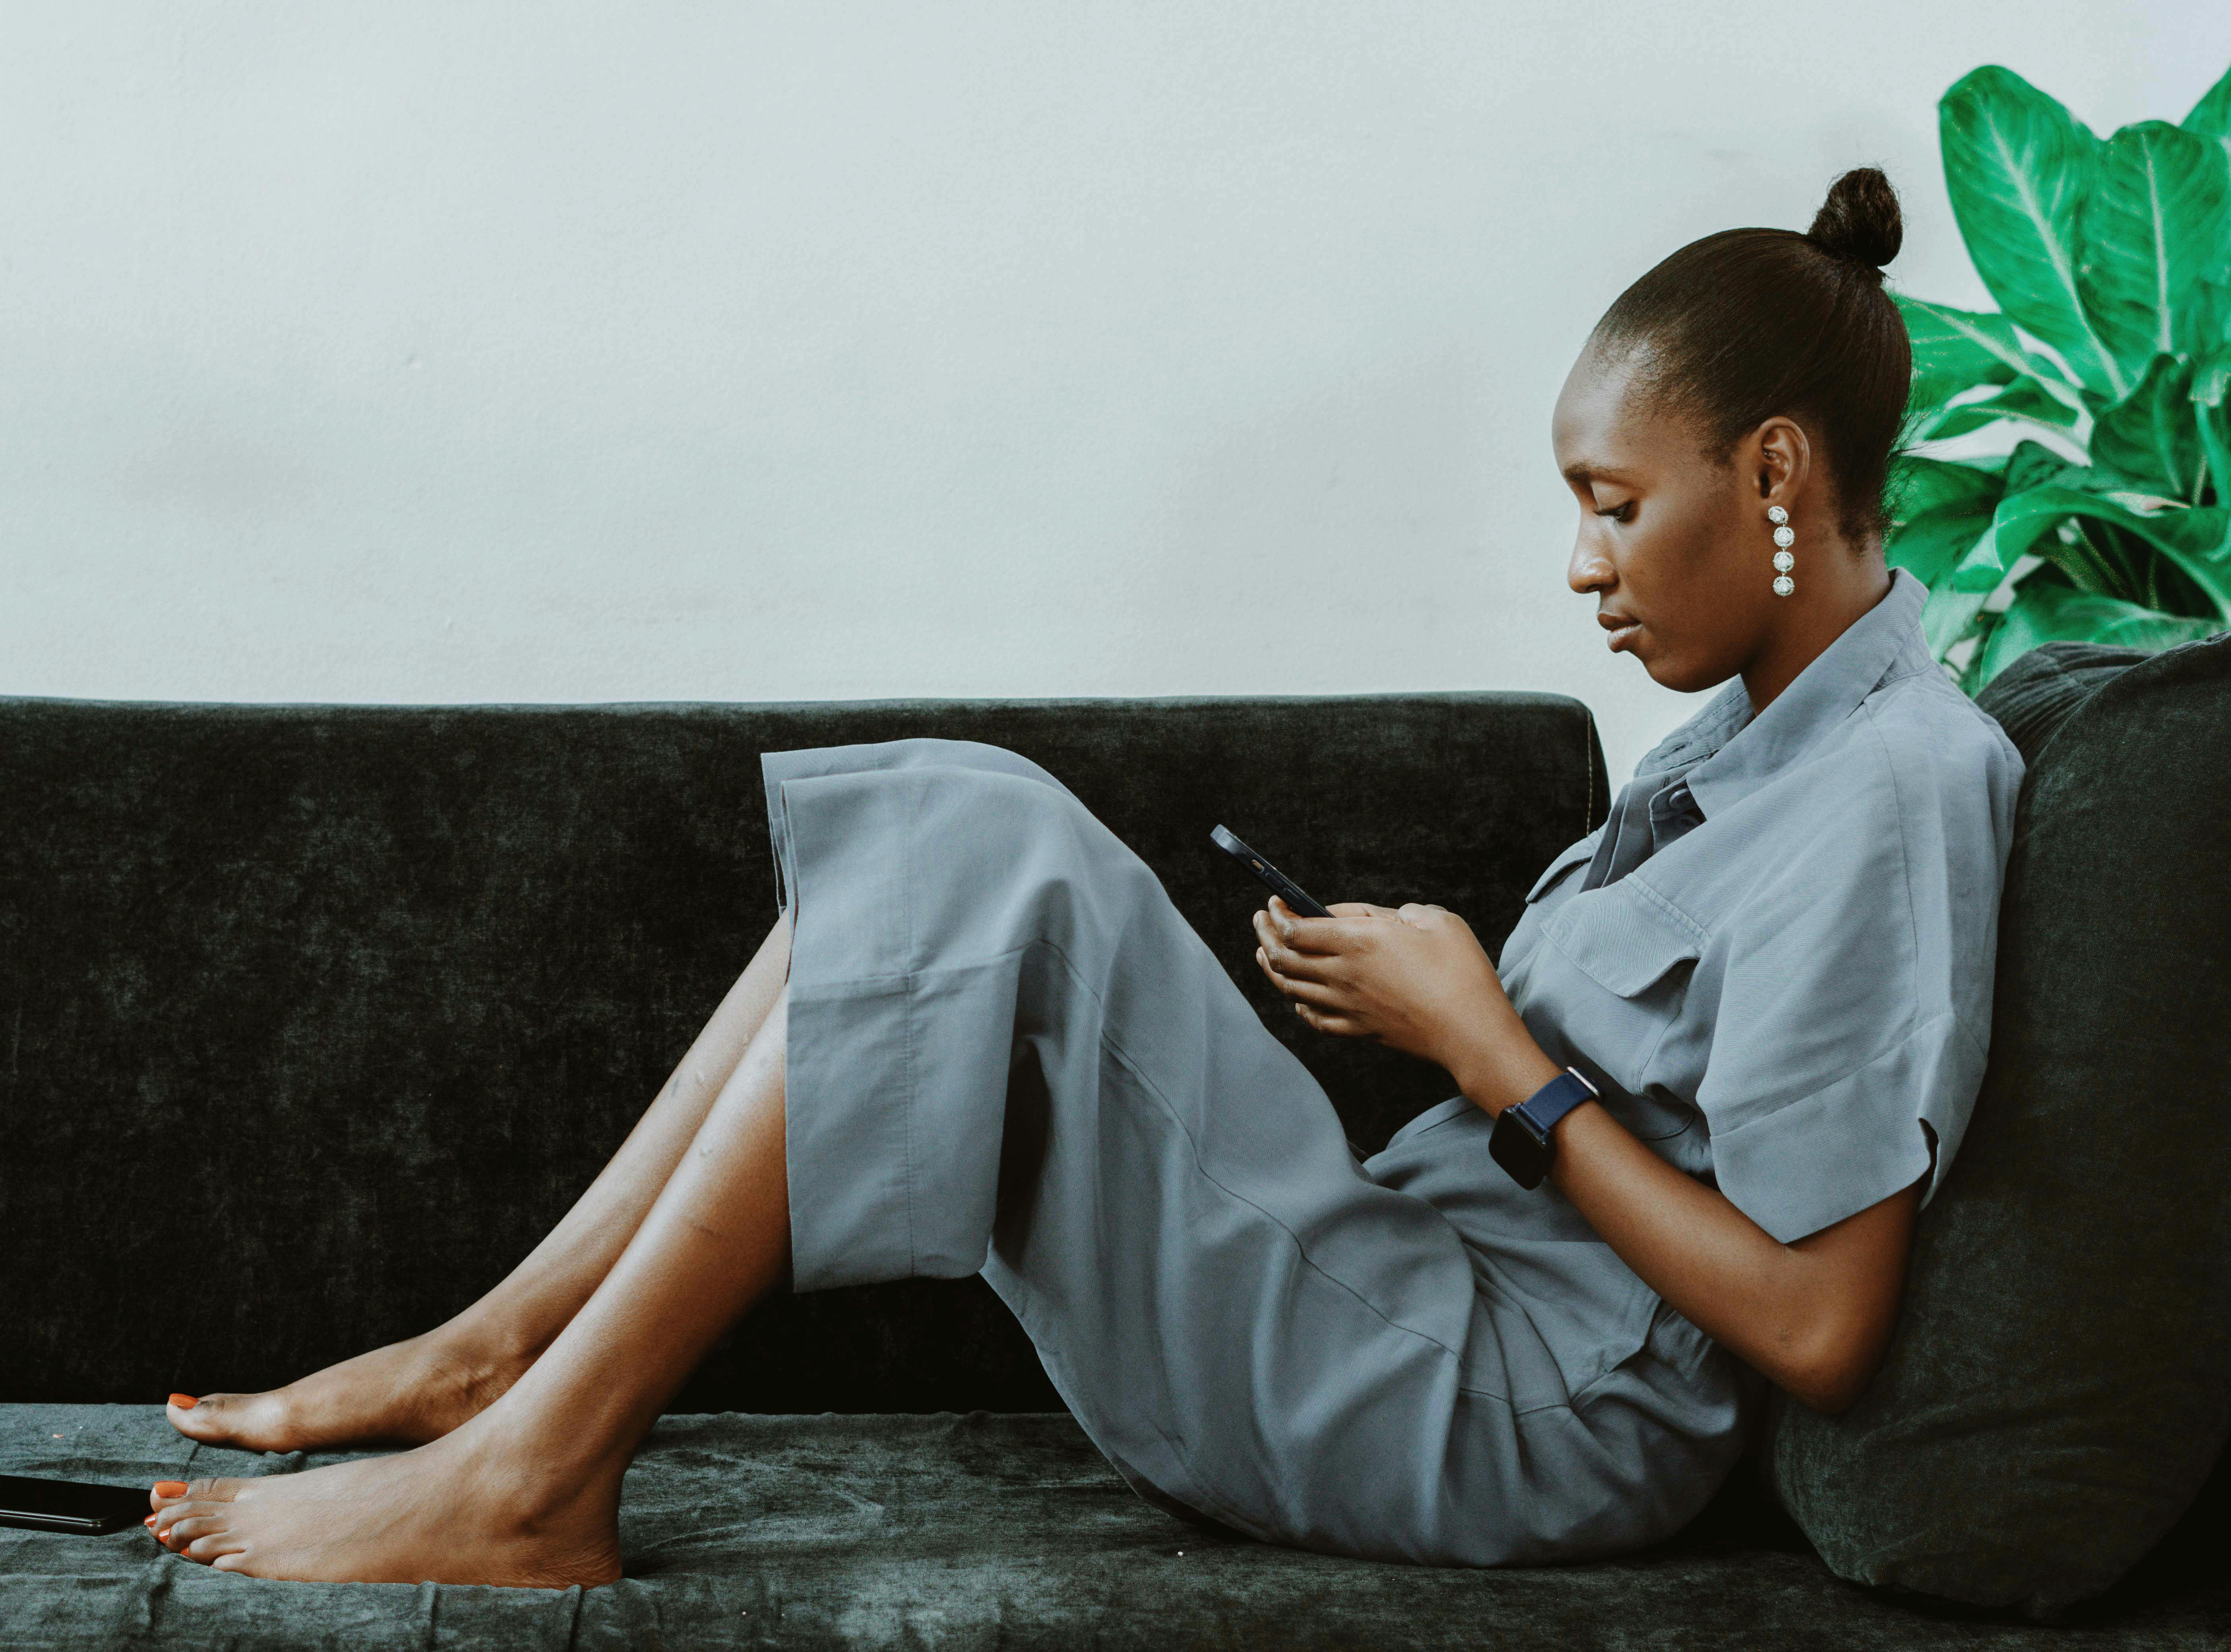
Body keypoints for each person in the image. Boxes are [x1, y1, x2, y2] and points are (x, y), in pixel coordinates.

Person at [145, 166, 2023, 1587]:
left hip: (1514, 1411)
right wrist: (1431, 1004)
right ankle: (505, 1356)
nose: (1582, 566)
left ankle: (534, 1467)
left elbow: (1820, 1326)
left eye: (1613, 504)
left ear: (1774, 470)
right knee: (964, 812)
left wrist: (1487, 1049)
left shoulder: (1896, 789)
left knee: (989, 837)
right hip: (1420, 1284)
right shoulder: (1743, 751)